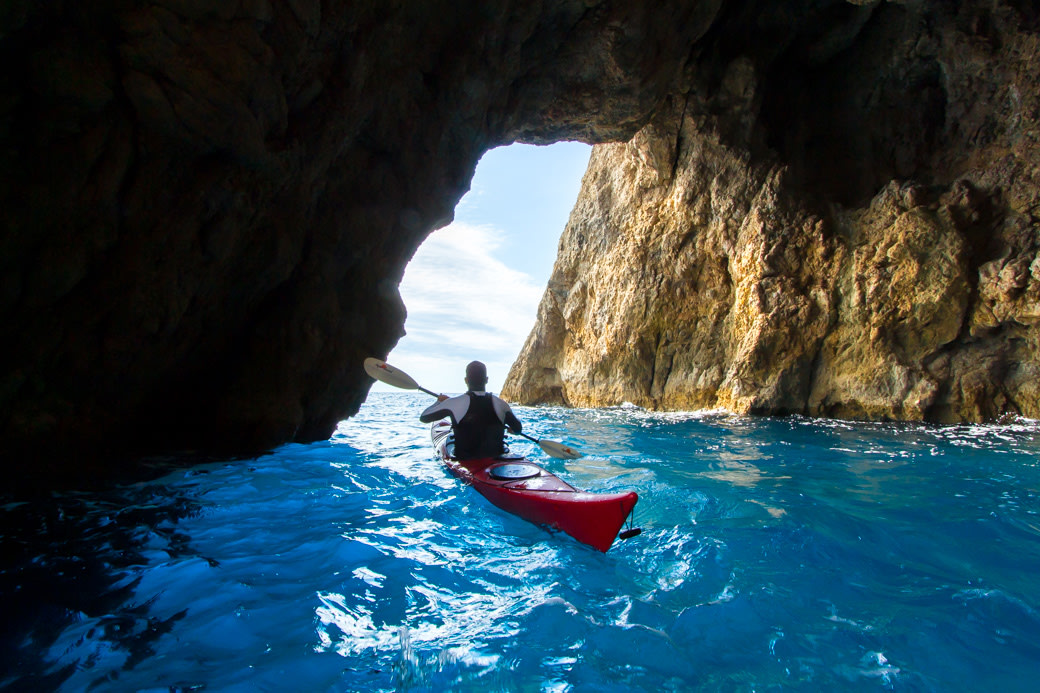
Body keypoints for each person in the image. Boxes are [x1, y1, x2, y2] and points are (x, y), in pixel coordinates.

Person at [419, 361, 522, 460]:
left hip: (465, 458)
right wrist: (513, 430)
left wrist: (439, 402)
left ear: (466, 380)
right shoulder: (502, 404)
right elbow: (518, 429)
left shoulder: (453, 403)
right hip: (496, 457)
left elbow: (424, 417)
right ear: (486, 380)